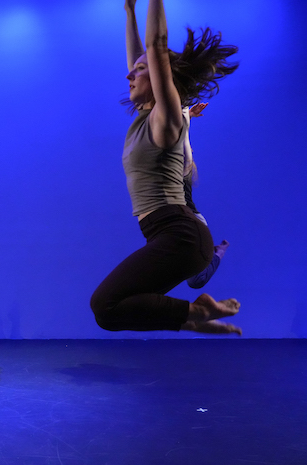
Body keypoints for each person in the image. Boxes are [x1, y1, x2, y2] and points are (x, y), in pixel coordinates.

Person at [90, 0, 240, 334]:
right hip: (168, 235)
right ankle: (194, 319)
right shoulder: (146, 114)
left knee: (104, 304)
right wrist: (129, 13)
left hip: (182, 235)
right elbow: (141, 57)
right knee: (107, 312)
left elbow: (155, 47)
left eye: (141, 71)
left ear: (160, 78)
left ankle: (195, 312)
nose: (130, 74)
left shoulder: (166, 119)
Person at [181, 103, 230, 289]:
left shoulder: (183, 167)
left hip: (193, 222)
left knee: (196, 281)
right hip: (176, 223)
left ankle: (217, 253)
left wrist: (186, 115)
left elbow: (182, 140)